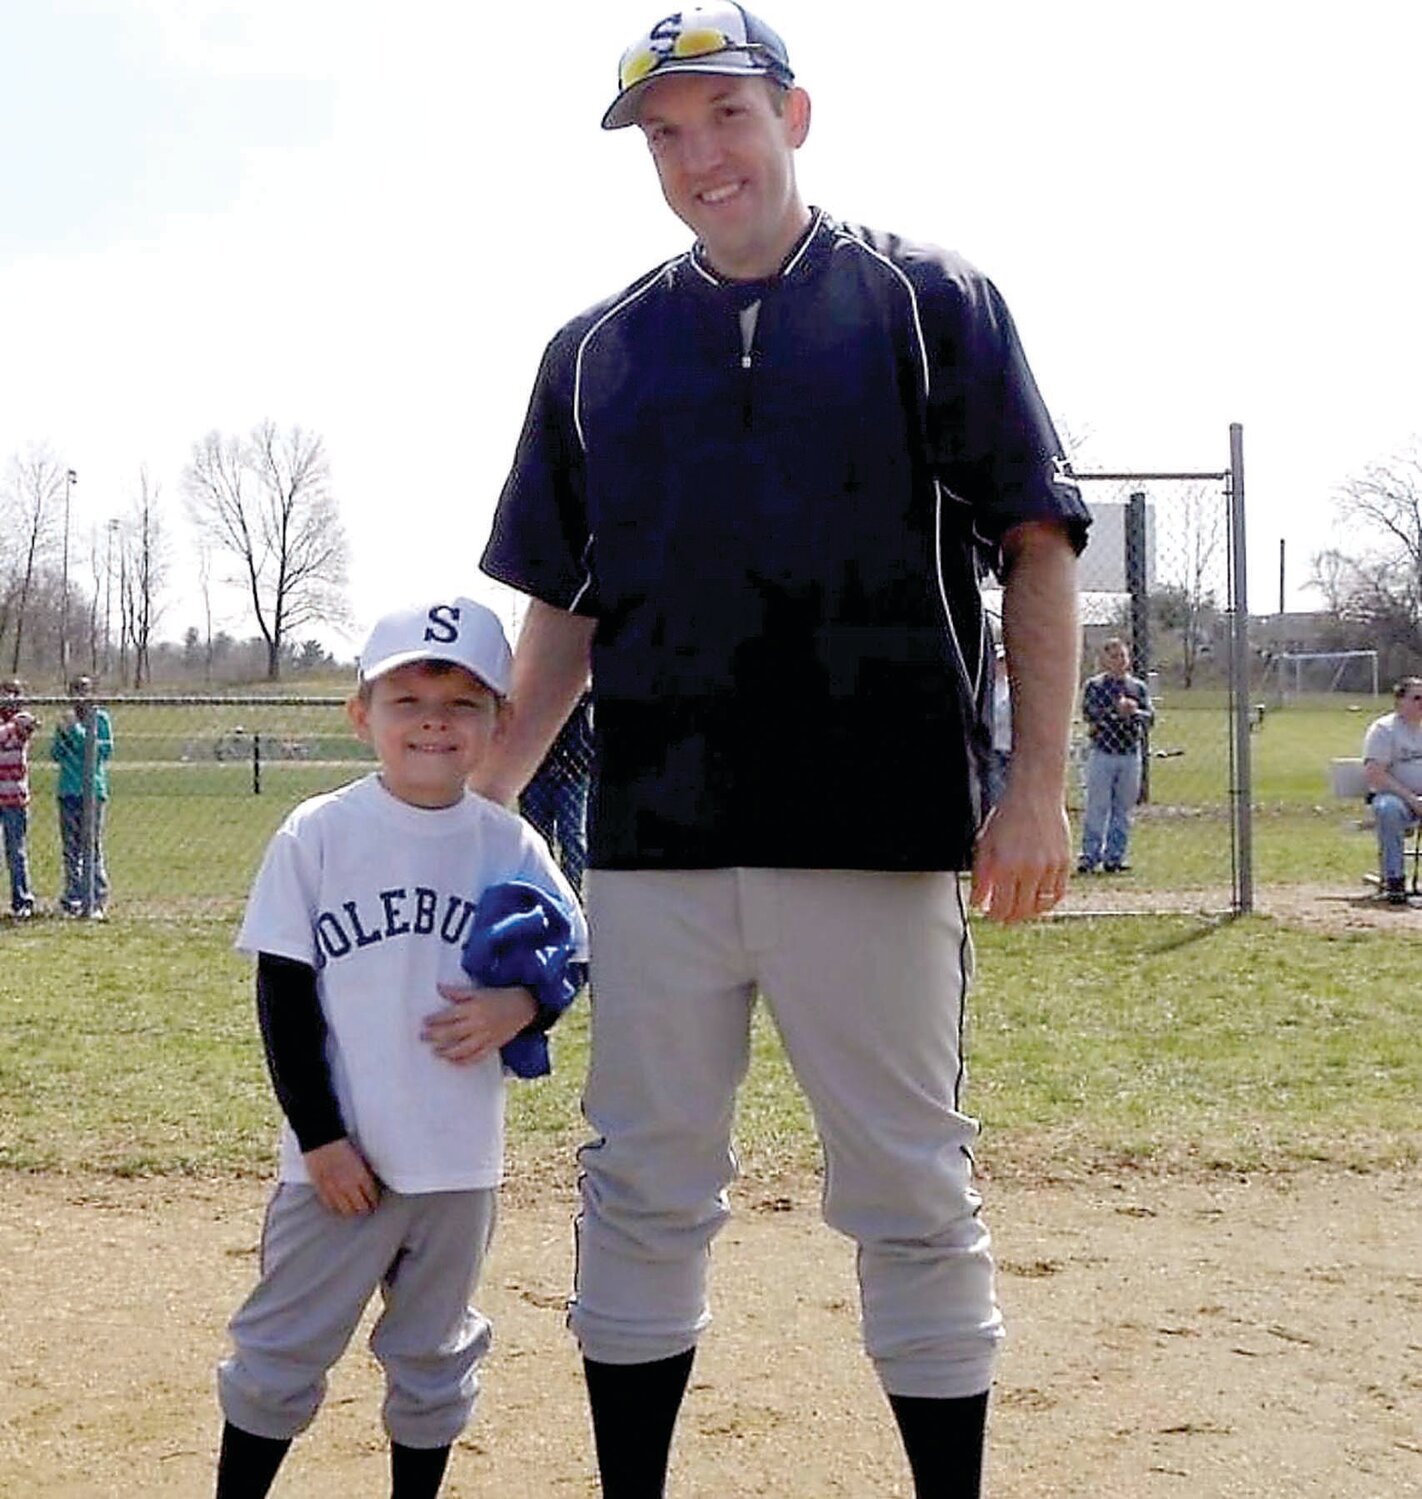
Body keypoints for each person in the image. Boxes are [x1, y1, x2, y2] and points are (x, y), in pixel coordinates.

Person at [476, 8, 1089, 1494]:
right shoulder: (596, 352)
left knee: (907, 1186)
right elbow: (565, 602)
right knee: (640, 1182)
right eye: (666, 136)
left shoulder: (926, 297)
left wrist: (1033, 790)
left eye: (725, 118)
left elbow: (1034, 540)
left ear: (794, 115)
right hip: (658, 838)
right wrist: (482, 799)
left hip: (872, 826)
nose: (700, 157)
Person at [214, 597, 588, 1499]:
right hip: (338, 1166)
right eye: (408, 698)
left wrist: (522, 1009)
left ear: (501, 720)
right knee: (279, 1353)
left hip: (459, 1167)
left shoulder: (510, 842)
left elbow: (571, 956)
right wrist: (320, 1137)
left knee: (433, 1359)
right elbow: (284, 996)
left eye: (464, 703)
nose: (434, 720)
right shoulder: (320, 834)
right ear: (361, 714)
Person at [1077, 638, 1153, 875]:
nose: (1120, 661)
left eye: (1123, 656)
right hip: (1102, 752)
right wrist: (1114, 712)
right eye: (1114, 656)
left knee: (1123, 808)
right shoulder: (1095, 686)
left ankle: (1114, 857)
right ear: (1104, 660)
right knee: (1097, 806)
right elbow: (1090, 713)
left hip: (1130, 753)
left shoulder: (1138, 688)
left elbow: (1150, 718)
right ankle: (1090, 856)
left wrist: (1134, 712)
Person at [50, 675, 113, 917]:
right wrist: (65, 735)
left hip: (93, 791)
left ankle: (96, 898)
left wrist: (76, 731)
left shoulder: (100, 719)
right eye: (75, 691)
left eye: (84, 691)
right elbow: (56, 754)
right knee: (71, 849)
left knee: (92, 846)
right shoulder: (65, 720)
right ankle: (73, 897)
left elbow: (101, 752)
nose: (79, 696)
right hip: (68, 790)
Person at [520, 689, 594, 895]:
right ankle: (544, 893)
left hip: (574, 767)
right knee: (536, 838)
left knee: (573, 838)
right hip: (536, 768)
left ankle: (571, 896)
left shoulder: (576, 678)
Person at [1361, 676, 1422, 905]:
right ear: (1400, 701)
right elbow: (1375, 774)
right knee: (1388, 810)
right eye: (1417, 698)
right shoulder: (1384, 730)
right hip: (1396, 797)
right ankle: (1395, 882)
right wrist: (1412, 799)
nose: (1421, 703)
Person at [0, 678, 40, 918]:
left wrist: (12, 728)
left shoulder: (23, 719)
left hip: (14, 798)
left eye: (14, 694)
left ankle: (22, 902)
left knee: (16, 852)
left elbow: (23, 728)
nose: (9, 698)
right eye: (5, 694)